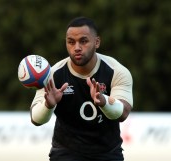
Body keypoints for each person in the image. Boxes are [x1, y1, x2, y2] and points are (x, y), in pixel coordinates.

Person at [30, 17, 133, 161]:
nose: (77, 47)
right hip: (66, 152)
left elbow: (123, 113)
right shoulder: (52, 75)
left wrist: (103, 102)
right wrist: (48, 105)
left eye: (83, 41)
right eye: (71, 42)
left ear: (97, 42)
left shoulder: (116, 71)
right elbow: (35, 119)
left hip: (107, 152)